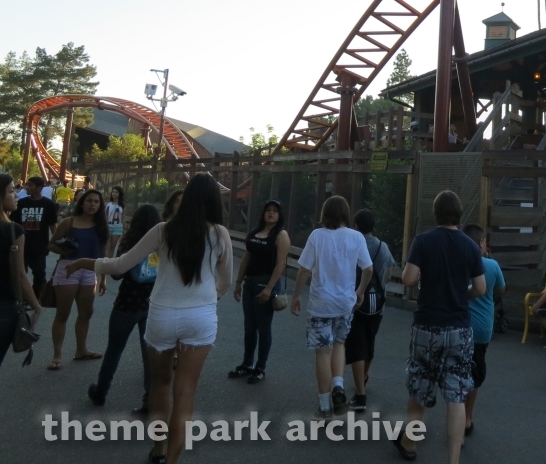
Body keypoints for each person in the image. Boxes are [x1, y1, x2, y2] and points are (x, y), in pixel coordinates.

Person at [68, 172, 232, 464]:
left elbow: (121, 263)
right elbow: (225, 281)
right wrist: (209, 298)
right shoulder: (220, 233)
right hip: (201, 317)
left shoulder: (163, 230)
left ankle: (157, 449)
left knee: (160, 384)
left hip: (162, 316)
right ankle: (172, 460)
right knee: (186, 393)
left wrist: (86, 262)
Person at [395, 191, 485, 464]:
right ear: (459, 214)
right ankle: (453, 459)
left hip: (427, 324)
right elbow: (480, 288)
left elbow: (409, 279)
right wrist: (461, 296)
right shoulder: (470, 246)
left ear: (436, 213)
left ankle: (410, 444)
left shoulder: (423, 241)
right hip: (459, 327)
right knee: (456, 394)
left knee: (419, 386)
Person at [291, 196, 372, 418]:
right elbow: (368, 269)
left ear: (324, 213)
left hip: (321, 304)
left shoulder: (317, 236)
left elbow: (305, 269)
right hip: (345, 304)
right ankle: (338, 384)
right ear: (346, 213)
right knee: (339, 344)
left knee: (322, 352)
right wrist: (360, 291)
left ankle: (325, 405)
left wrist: (296, 294)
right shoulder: (356, 237)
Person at [88, 204, 161, 409]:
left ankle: (101, 392)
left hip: (126, 303)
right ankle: (150, 399)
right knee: (149, 354)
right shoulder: (162, 242)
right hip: (152, 304)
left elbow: (117, 274)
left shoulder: (128, 241)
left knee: (114, 349)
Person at [47, 188, 109, 369]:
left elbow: (102, 254)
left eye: (96, 202)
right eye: (89, 201)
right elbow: (51, 244)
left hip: (90, 270)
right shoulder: (69, 222)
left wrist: (103, 278)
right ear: (82, 202)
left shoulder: (101, 225)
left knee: (86, 313)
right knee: (63, 313)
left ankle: (81, 350)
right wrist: (64, 250)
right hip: (68, 268)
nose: (92, 205)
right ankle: (57, 355)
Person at [229, 200, 291, 383]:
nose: (270, 213)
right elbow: (247, 259)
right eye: (268, 211)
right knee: (249, 327)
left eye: (274, 211)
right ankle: (247, 364)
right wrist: (238, 282)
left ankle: (260, 367)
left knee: (263, 327)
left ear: (279, 215)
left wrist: (270, 288)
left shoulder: (280, 235)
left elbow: (281, 263)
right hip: (249, 283)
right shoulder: (255, 233)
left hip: (265, 283)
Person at [344, 208, 397, 411]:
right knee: (369, 341)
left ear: (355, 226)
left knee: (357, 344)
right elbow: (389, 276)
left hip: (355, 300)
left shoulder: (353, 244)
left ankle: (360, 394)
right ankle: (364, 377)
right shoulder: (383, 247)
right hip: (378, 304)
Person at [462, 224, 505, 439]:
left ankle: (455, 415)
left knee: (456, 373)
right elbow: (500, 289)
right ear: (481, 243)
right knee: (474, 375)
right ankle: (467, 417)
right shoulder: (492, 265)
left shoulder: (457, 263)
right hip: (481, 329)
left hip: (458, 326)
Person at [0, 173, 43, 368]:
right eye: (11, 191)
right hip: (4, 305)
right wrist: (36, 305)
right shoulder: (12, 231)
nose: (16, 195)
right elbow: (19, 273)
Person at [12, 175, 59, 297]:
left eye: (30, 185)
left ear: (39, 188)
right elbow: (13, 225)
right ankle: (21, 299)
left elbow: (52, 226)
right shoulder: (20, 204)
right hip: (21, 246)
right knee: (18, 275)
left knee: (39, 276)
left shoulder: (48, 204)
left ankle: (36, 298)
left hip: (39, 247)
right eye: (27, 184)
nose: (26, 187)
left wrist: (58, 242)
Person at [105, 186, 126, 256]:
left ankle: (110, 262)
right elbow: (104, 215)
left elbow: (123, 218)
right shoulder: (107, 203)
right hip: (107, 226)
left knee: (113, 247)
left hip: (117, 228)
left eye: (116, 192)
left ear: (119, 194)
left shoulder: (122, 205)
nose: (114, 194)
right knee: (106, 246)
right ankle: (104, 261)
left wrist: (124, 229)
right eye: (113, 192)